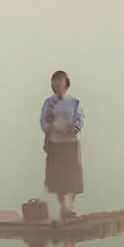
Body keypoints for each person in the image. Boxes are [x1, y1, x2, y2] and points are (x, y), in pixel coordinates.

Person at [38, 69, 83, 218]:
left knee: (73, 177)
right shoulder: (49, 103)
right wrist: (52, 129)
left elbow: (80, 120)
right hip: (55, 144)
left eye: (60, 81)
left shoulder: (75, 102)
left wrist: (72, 129)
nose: (57, 85)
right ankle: (63, 207)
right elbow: (43, 121)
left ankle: (70, 206)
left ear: (66, 83)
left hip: (70, 144)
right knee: (57, 178)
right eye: (54, 82)